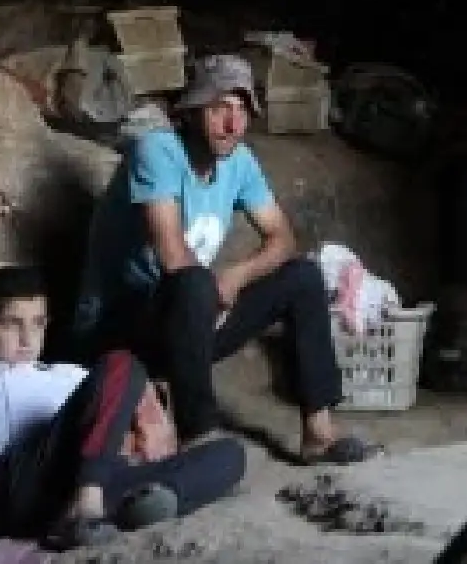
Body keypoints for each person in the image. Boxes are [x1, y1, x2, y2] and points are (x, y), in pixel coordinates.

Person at [69, 53, 378, 465]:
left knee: (302, 275)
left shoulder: (240, 162)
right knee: (194, 282)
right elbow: (173, 256)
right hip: (120, 330)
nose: (233, 125)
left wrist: (237, 276)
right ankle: (199, 434)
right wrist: (211, 295)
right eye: (220, 109)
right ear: (193, 111)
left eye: (241, 111)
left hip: (188, 320)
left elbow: (281, 237)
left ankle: (318, 431)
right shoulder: (156, 151)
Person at [0, 261, 247, 549]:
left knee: (230, 454)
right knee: (121, 363)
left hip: (84, 483)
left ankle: (147, 501)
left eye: (37, 323)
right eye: (11, 324)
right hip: (17, 489)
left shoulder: (68, 374)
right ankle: (88, 504)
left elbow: (119, 401)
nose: (26, 338)